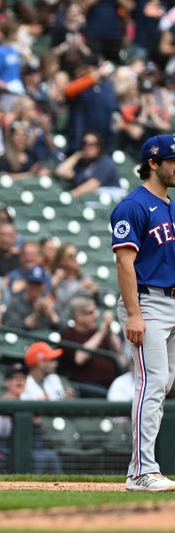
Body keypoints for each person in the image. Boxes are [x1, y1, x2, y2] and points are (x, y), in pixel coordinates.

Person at [111, 134, 175, 491]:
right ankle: (140, 471)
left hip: (172, 301)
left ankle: (146, 467)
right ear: (153, 162)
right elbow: (124, 262)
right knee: (150, 385)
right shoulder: (132, 206)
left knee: (161, 385)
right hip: (148, 302)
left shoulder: (171, 205)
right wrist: (135, 314)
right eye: (173, 160)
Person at [2, 266, 61, 331]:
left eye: (38, 284)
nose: (35, 287)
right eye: (32, 283)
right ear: (26, 284)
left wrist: (51, 313)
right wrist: (35, 315)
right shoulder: (15, 303)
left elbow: (63, 329)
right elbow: (11, 326)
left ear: (44, 286)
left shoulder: (50, 304)